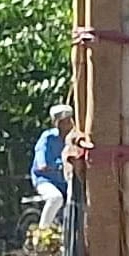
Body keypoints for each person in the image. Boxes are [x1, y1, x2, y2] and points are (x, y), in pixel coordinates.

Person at [28, 102, 77, 243]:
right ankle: (42, 234)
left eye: (69, 120)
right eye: (63, 122)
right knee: (56, 198)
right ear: (56, 123)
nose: (68, 125)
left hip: (66, 180)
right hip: (45, 180)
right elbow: (41, 160)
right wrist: (48, 165)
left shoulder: (74, 138)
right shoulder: (47, 138)